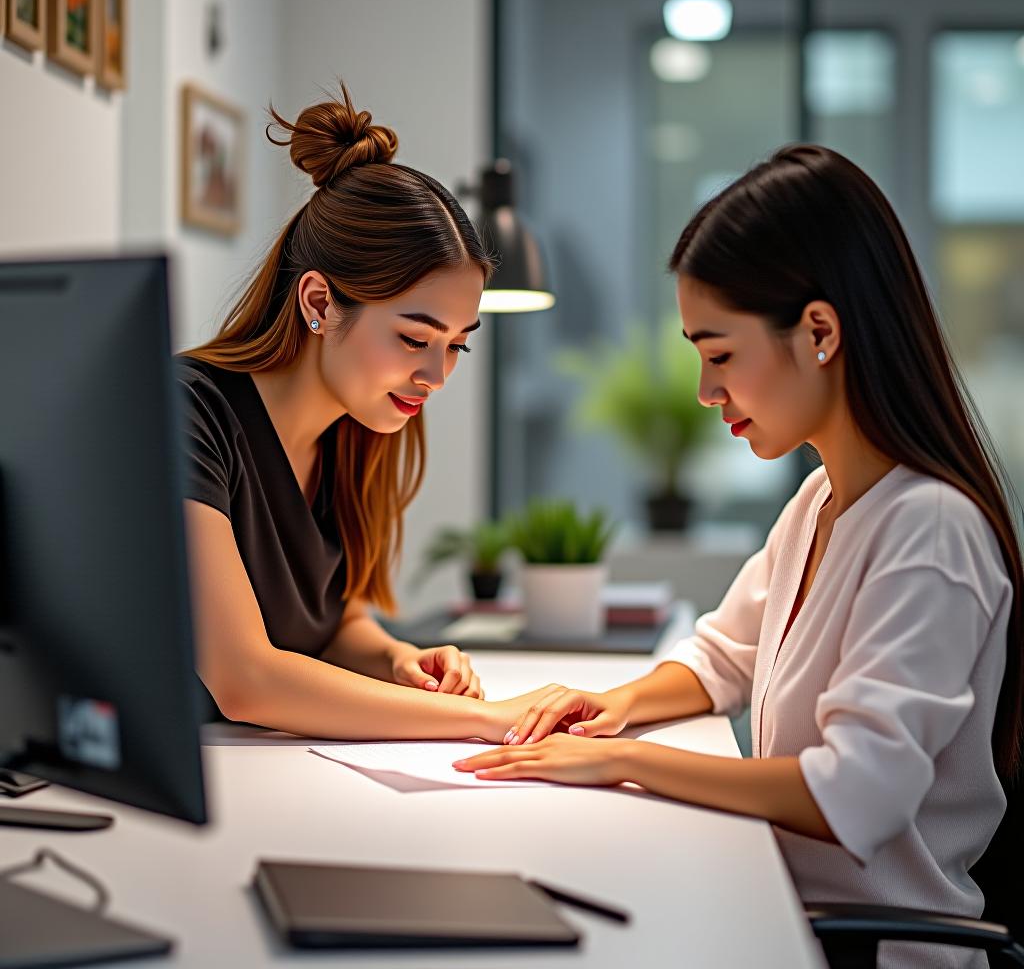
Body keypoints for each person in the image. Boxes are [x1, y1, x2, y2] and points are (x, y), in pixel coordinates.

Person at [454, 145, 1023, 967]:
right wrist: (614, 704)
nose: (704, 391)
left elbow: (851, 797)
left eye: (719, 354)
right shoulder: (820, 502)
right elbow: (724, 655)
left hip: (865, 951)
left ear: (820, 332)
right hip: (782, 909)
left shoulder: (931, 531)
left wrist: (622, 761)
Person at [178, 86, 547, 742]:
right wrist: (483, 718)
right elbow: (244, 679)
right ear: (319, 301)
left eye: (457, 344)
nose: (437, 376)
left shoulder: (357, 431)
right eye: (414, 338)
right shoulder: (188, 413)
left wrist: (395, 659)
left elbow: (335, 621)